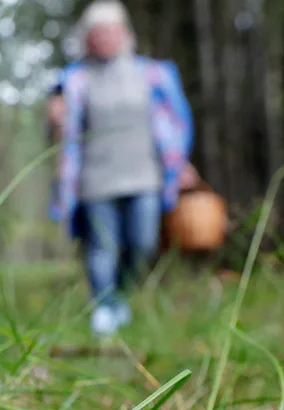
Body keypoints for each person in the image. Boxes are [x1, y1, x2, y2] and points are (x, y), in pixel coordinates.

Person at [48, 0, 195, 337]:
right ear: (87, 38)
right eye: (97, 33)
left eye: (111, 31)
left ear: (125, 33)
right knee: (102, 246)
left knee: (142, 242)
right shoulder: (74, 79)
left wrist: (182, 163)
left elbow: (173, 126)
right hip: (95, 179)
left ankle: (121, 297)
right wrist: (54, 118)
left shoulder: (153, 74)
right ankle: (103, 306)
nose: (104, 39)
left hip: (144, 175)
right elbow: (58, 129)